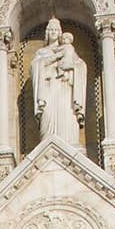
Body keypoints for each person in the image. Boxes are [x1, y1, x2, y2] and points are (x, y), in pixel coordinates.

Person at [30, 16, 87, 146]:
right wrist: (54, 58)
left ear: (60, 32)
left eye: (56, 29)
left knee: (67, 115)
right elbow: (34, 67)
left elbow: (80, 66)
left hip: (65, 90)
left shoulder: (69, 49)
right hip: (48, 90)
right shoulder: (41, 52)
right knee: (48, 117)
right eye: (51, 30)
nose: (53, 32)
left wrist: (72, 66)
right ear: (47, 33)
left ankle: (71, 143)